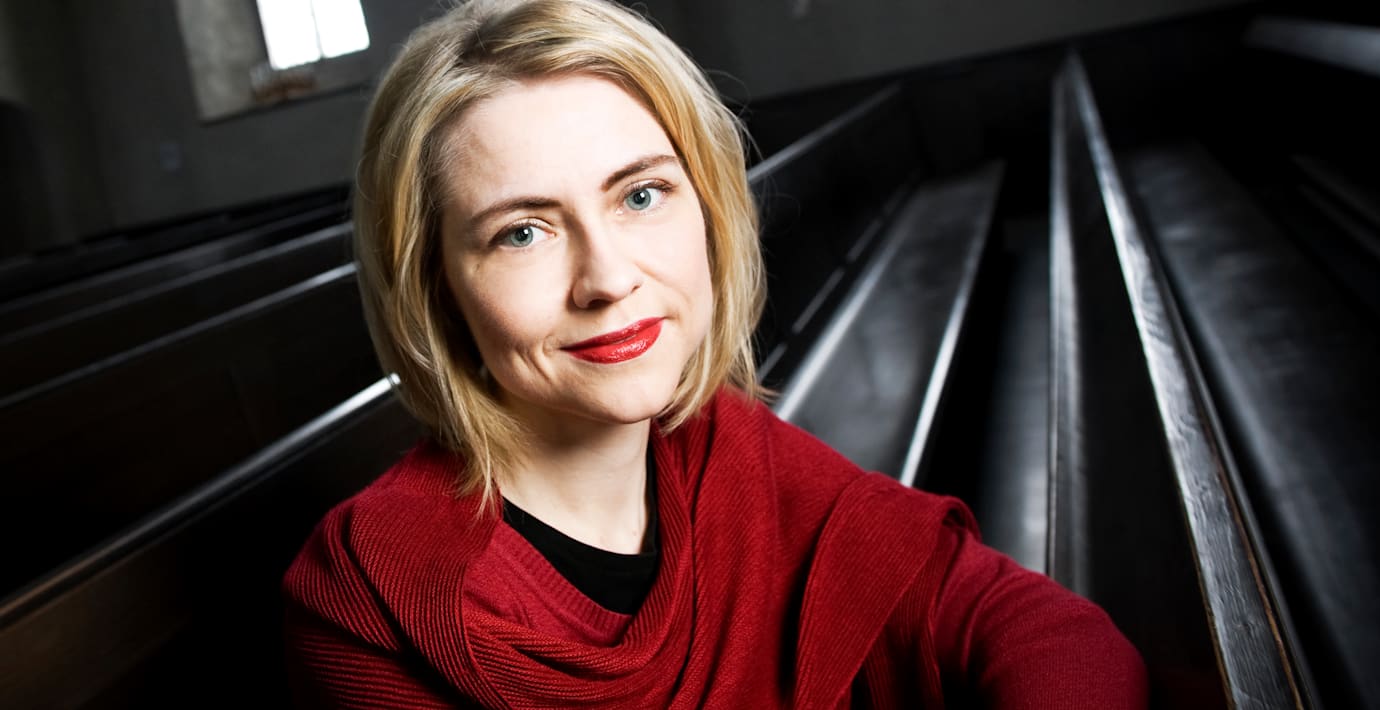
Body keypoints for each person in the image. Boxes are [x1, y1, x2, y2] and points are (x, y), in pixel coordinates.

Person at [281, 0, 1148, 707]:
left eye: (641, 195)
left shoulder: (721, 447)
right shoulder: (370, 595)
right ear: (437, 287)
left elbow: (1048, 635)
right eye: (523, 232)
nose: (608, 279)